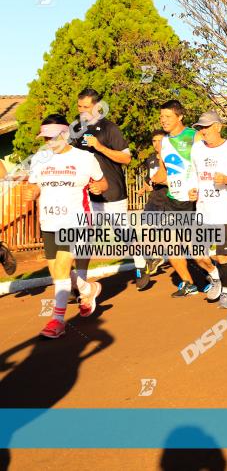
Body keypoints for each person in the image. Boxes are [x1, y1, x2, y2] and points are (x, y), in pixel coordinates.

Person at [24, 115, 108, 338]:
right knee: (57, 274)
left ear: (65, 134)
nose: (48, 142)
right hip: (49, 222)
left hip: (76, 221)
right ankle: (87, 289)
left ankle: (57, 320)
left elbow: (102, 182)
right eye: (46, 138)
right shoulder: (40, 159)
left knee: (61, 270)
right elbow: (34, 186)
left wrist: (98, 188)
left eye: (52, 137)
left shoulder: (85, 158)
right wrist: (32, 192)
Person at [70, 88, 133, 300]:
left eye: (86, 107)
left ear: (97, 107)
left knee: (123, 235)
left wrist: (100, 146)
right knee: (84, 239)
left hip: (113, 192)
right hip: (88, 196)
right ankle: (80, 283)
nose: (81, 111)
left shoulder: (109, 128)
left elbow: (126, 159)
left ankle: (142, 262)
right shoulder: (76, 129)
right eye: (79, 107)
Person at [188, 111, 227, 309]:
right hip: (203, 210)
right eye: (200, 128)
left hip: (225, 211)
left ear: (218, 127)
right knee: (197, 253)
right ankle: (215, 276)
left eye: (206, 127)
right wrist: (192, 189)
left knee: (222, 256)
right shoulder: (197, 149)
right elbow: (193, 173)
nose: (203, 131)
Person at [153, 100, 203, 297]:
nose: (163, 120)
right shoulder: (164, 142)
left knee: (196, 249)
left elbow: (206, 166)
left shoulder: (194, 136)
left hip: (192, 200)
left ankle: (213, 274)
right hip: (172, 199)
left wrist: (199, 188)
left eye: (167, 116)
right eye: (161, 117)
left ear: (180, 116)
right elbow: (164, 172)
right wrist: (155, 179)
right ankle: (188, 283)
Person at [133, 130, 168, 290]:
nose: (156, 144)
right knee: (143, 231)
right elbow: (150, 181)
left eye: (160, 140)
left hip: (169, 200)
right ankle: (154, 257)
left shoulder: (172, 157)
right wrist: (144, 188)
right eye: (154, 140)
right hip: (153, 200)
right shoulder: (151, 160)